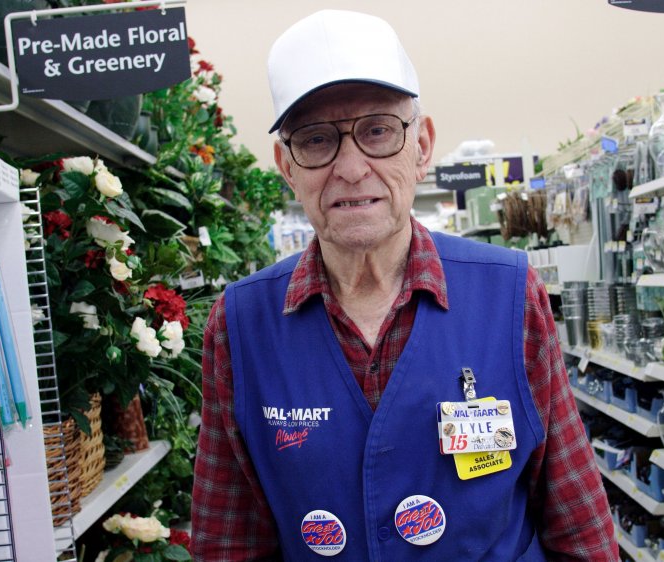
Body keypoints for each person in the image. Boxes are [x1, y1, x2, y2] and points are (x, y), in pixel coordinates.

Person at [191, 9, 617, 561]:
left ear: (422, 146)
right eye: (317, 140)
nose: (350, 167)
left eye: (377, 131)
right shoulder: (242, 324)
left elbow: (579, 524)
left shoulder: (509, 296)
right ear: (287, 166)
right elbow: (229, 543)